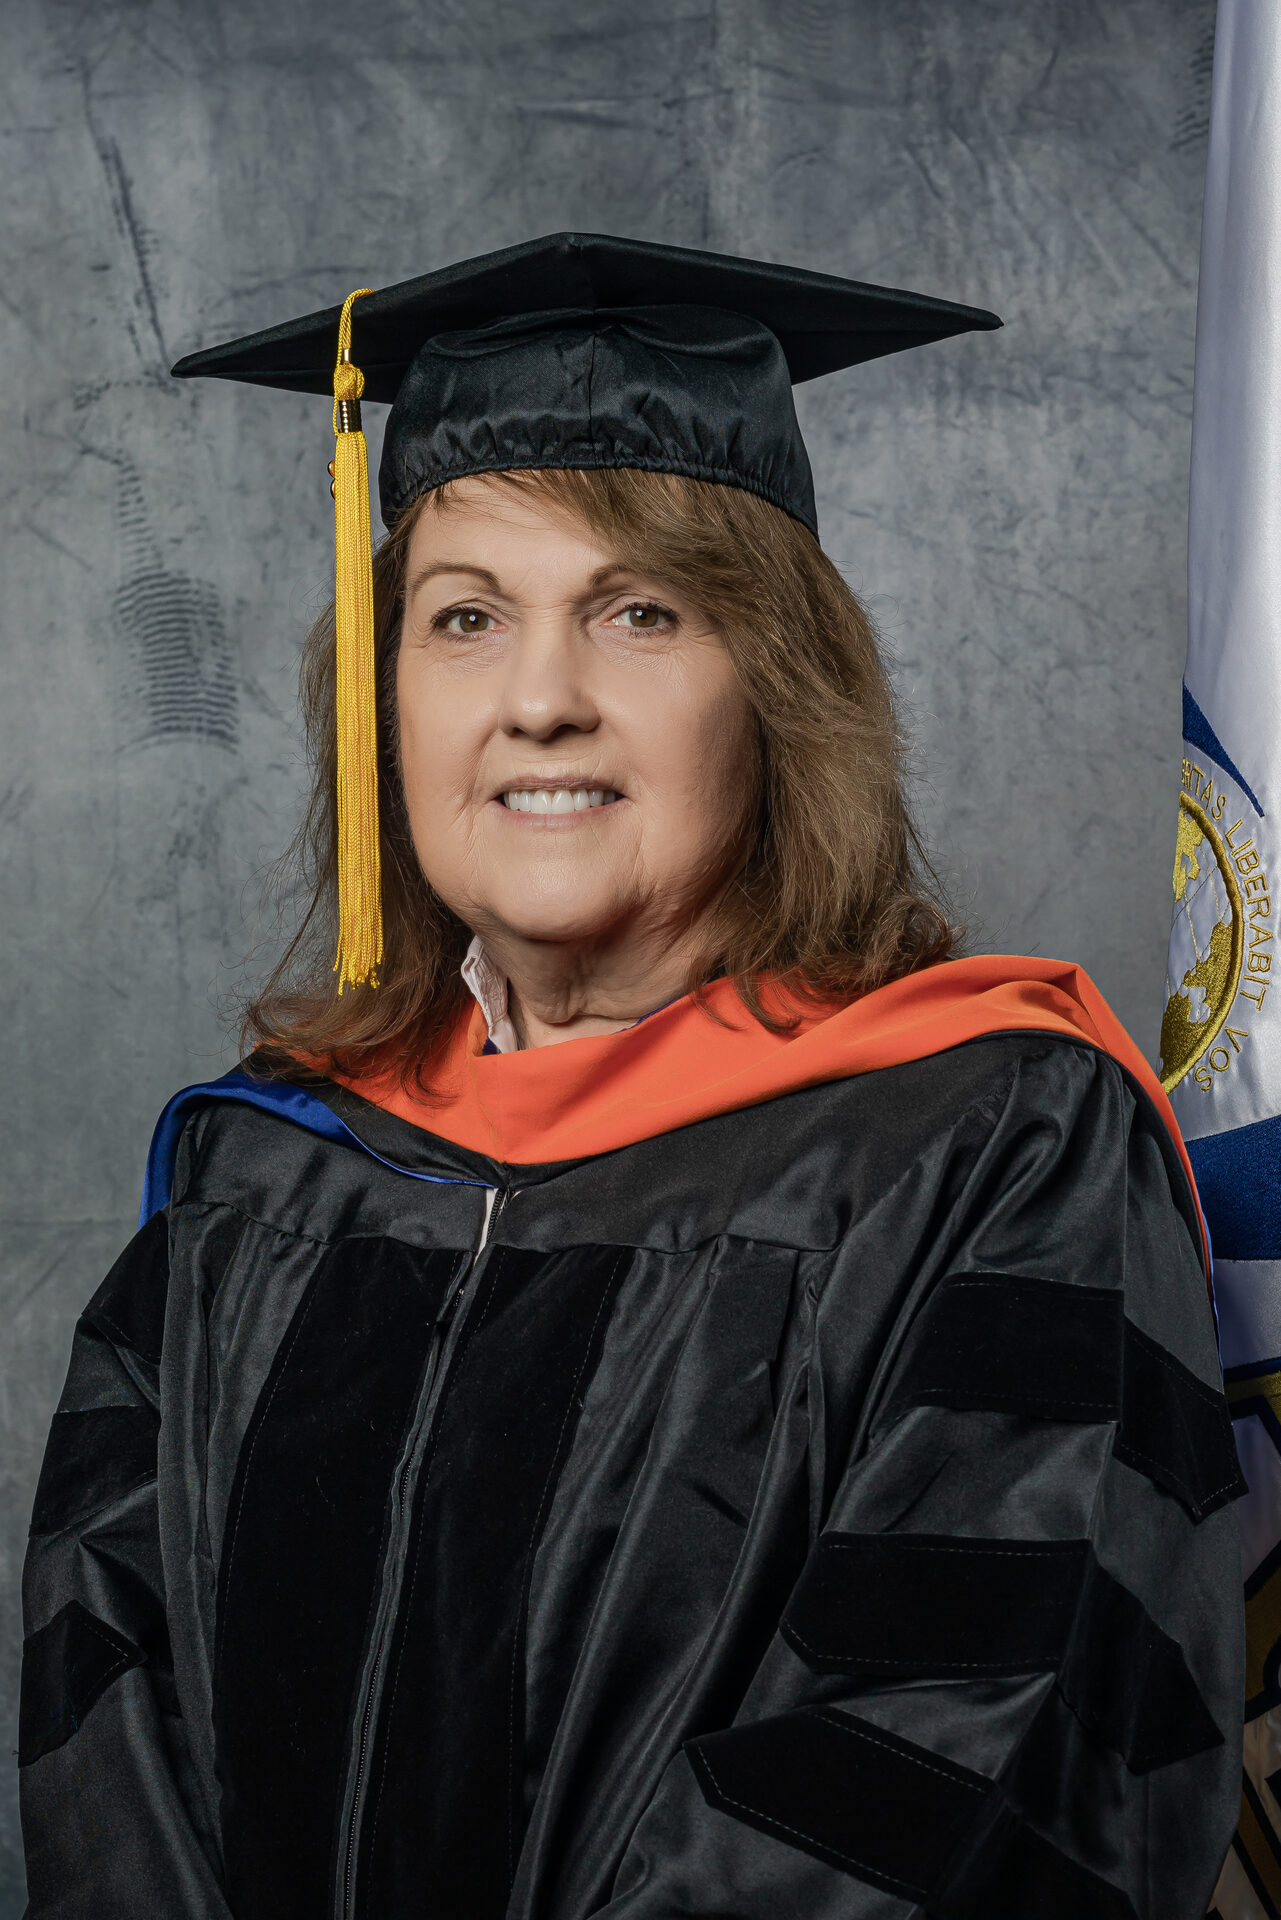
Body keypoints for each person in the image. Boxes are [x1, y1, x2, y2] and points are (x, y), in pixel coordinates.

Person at [19, 233, 1244, 1919]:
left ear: (775, 687)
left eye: (639, 613)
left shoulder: (987, 1148)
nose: (540, 701)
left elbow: (971, 1762)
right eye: (464, 617)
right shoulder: (269, 1173)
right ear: (385, 695)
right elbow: (106, 1729)